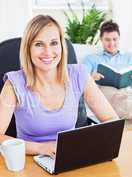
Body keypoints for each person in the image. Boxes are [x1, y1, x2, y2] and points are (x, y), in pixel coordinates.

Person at [0, 15, 118, 156]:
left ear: (62, 46)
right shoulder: (13, 84)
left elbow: (112, 120)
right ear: (28, 49)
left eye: (54, 43)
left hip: (70, 157)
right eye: (39, 44)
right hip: (31, 162)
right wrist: (41, 148)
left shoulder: (79, 74)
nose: (48, 52)